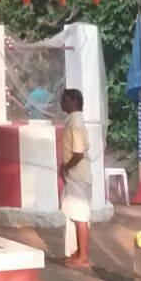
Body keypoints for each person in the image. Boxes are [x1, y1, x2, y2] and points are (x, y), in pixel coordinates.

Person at [60, 88, 93, 268]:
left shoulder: (76, 123)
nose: (61, 103)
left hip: (78, 174)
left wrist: (65, 167)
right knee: (73, 213)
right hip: (75, 174)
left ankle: (84, 257)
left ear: (73, 101)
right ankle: (77, 252)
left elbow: (78, 153)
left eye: (64, 100)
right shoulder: (72, 121)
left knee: (80, 215)